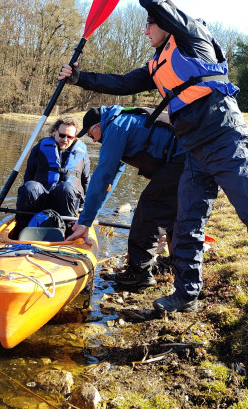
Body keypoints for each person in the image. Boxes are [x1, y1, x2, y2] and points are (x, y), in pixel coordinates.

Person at [62, 0, 248, 317]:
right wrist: (78, 78)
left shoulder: (191, 38)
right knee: (185, 224)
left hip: (225, 139)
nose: (144, 30)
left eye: (148, 24)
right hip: (194, 151)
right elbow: (120, 84)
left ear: (164, 23)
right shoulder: (156, 64)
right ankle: (187, 292)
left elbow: (155, 4)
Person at [74, 104, 185, 289]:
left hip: (185, 157)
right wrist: (90, 216)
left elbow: (102, 176)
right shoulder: (122, 123)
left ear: (98, 124)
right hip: (187, 157)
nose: (92, 140)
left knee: (149, 209)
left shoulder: (116, 126)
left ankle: (139, 274)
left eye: (89, 133)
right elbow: (110, 181)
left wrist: (84, 221)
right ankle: (175, 265)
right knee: (171, 213)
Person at [15, 116, 90, 233]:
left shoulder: (82, 154)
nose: (65, 139)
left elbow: (86, 181)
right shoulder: (39, 148)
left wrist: (85, 208)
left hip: (66, 201)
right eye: (62, 135)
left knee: (66, 188)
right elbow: (29, 174)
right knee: (30, 187)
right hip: (42, 198)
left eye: (70, 137)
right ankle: (22, 230)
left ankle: (69, 232)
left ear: (75, 137)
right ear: (55, 131)